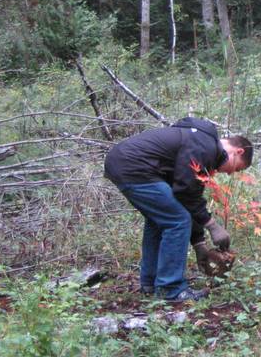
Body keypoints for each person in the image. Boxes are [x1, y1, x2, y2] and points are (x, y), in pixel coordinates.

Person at [104, 117, 253, 301]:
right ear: (238, 152)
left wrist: (199, 243)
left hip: (123, 162)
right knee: (177, 221)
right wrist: (213, 226)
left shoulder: (202, 144)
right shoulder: (204, 146)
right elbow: (185, 191)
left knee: (160, 221)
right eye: (237, 169)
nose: (231, 173)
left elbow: (187, 198)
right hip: (134, 166)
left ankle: (150, 283)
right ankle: (170, 289)